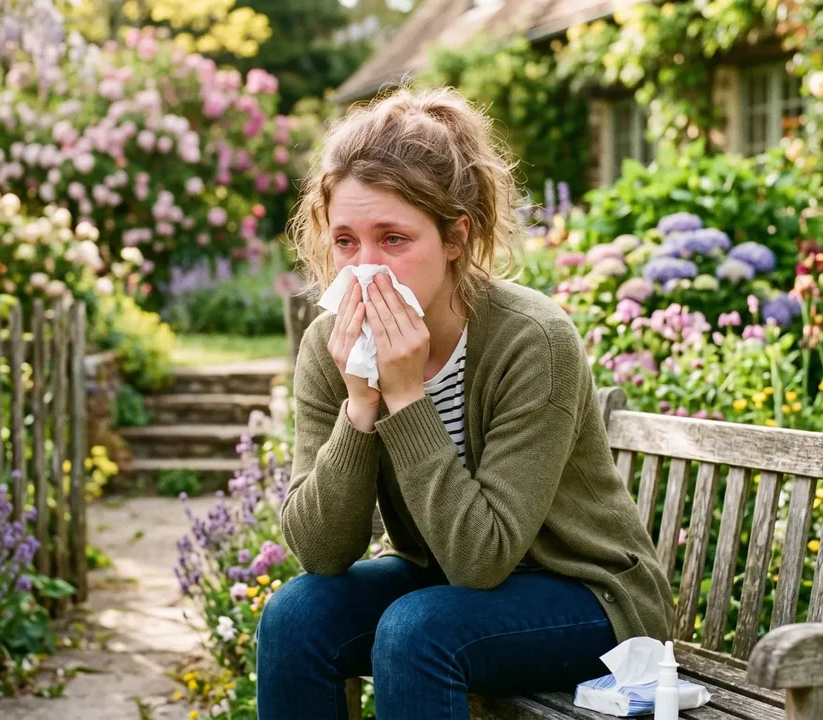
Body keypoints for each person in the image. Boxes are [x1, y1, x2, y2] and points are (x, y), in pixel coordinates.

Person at [255, 86, 673, 720]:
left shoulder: (532, 338)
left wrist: (405, 396)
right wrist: (361, 406)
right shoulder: (329, 345)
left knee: (417, 630)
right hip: (446, 585)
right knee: (296, 614)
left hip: (588, 596)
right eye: (346, 242)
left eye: (392, 239)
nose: (364, 269)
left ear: (455, 237)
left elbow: (482, 557)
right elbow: (321, 550)